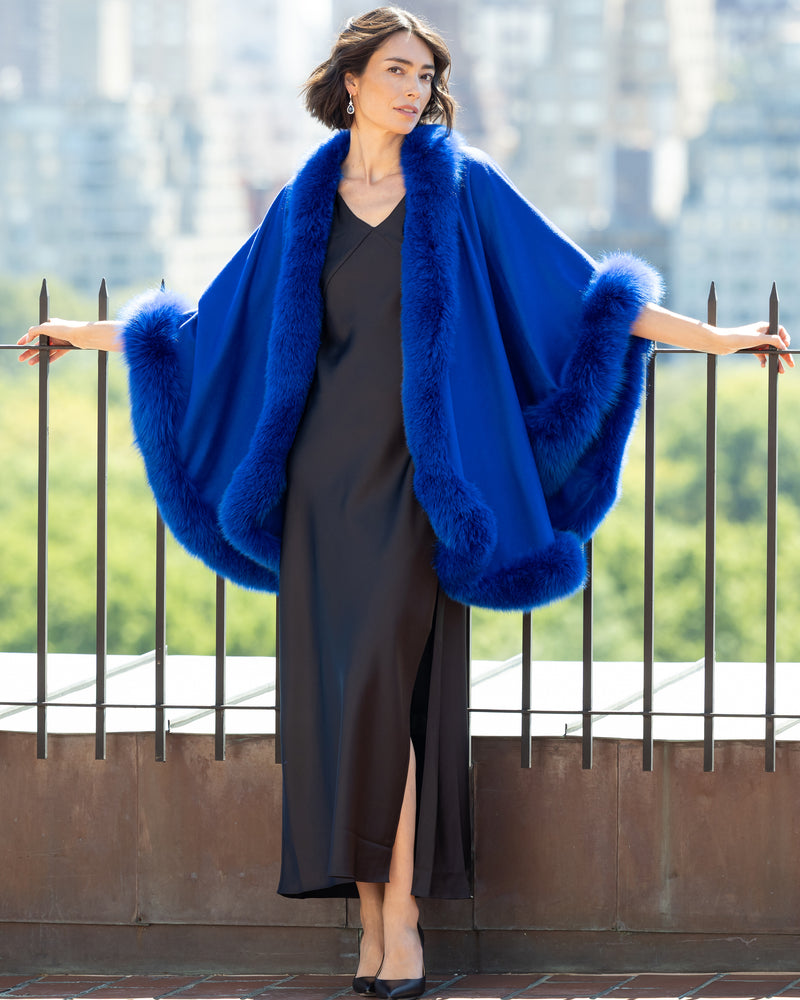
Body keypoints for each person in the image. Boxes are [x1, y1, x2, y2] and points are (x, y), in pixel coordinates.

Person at [18, 7, 792, 997]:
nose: (412, 89)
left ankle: (404, 921)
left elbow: (579, 297)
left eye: (424, 74)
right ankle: (373, 923)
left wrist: (719, 343)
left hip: (419, 485)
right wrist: (86, 332)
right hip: (319, 490)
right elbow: (213, 328)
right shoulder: (303, 205)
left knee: (389, 690)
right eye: (394, 70)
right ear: (350, 82)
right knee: (343, 703)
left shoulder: (463, 190)